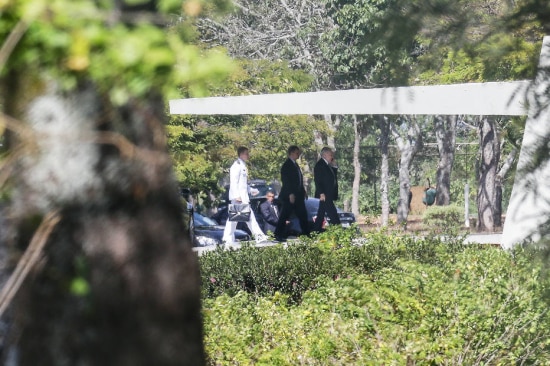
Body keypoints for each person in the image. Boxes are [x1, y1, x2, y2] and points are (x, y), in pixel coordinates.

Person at [222, 146, 268, 244]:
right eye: (246, 153)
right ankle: (259, 236)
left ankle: (227, 238)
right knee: (249, 218)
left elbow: (243, 184)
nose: (248, 155)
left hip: (242, 197)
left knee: (233, 220)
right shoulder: (236, 165)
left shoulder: (242, 165)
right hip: (239, 198)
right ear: (241, 154)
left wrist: (251, 190)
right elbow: (233, 182)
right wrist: (236, 195)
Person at [274, 145, 309, 240]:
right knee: (285, 215)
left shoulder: (296, 165)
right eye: (297, 153)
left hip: (298, 195)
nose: (298, 154)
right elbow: (286, 181)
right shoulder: (287, 165)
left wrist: (303, 191)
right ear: (292, 153)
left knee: (303, 215)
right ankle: (278, 234)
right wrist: (290, 194)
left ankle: (306, 234)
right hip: (290, 195)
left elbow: (299, 180)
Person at [313, 146, 340, 233]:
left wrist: (334, 165)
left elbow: (333, 177)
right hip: (324, 194)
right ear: (324, 155)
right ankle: (338, 229)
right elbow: (317, 180)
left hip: (329, 193)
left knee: (321, 214)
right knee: (333, 212)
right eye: (330, 155)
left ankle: (316, 230)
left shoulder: (327, 165)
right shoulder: (320, 165)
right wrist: (321, 193)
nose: (331, 157)